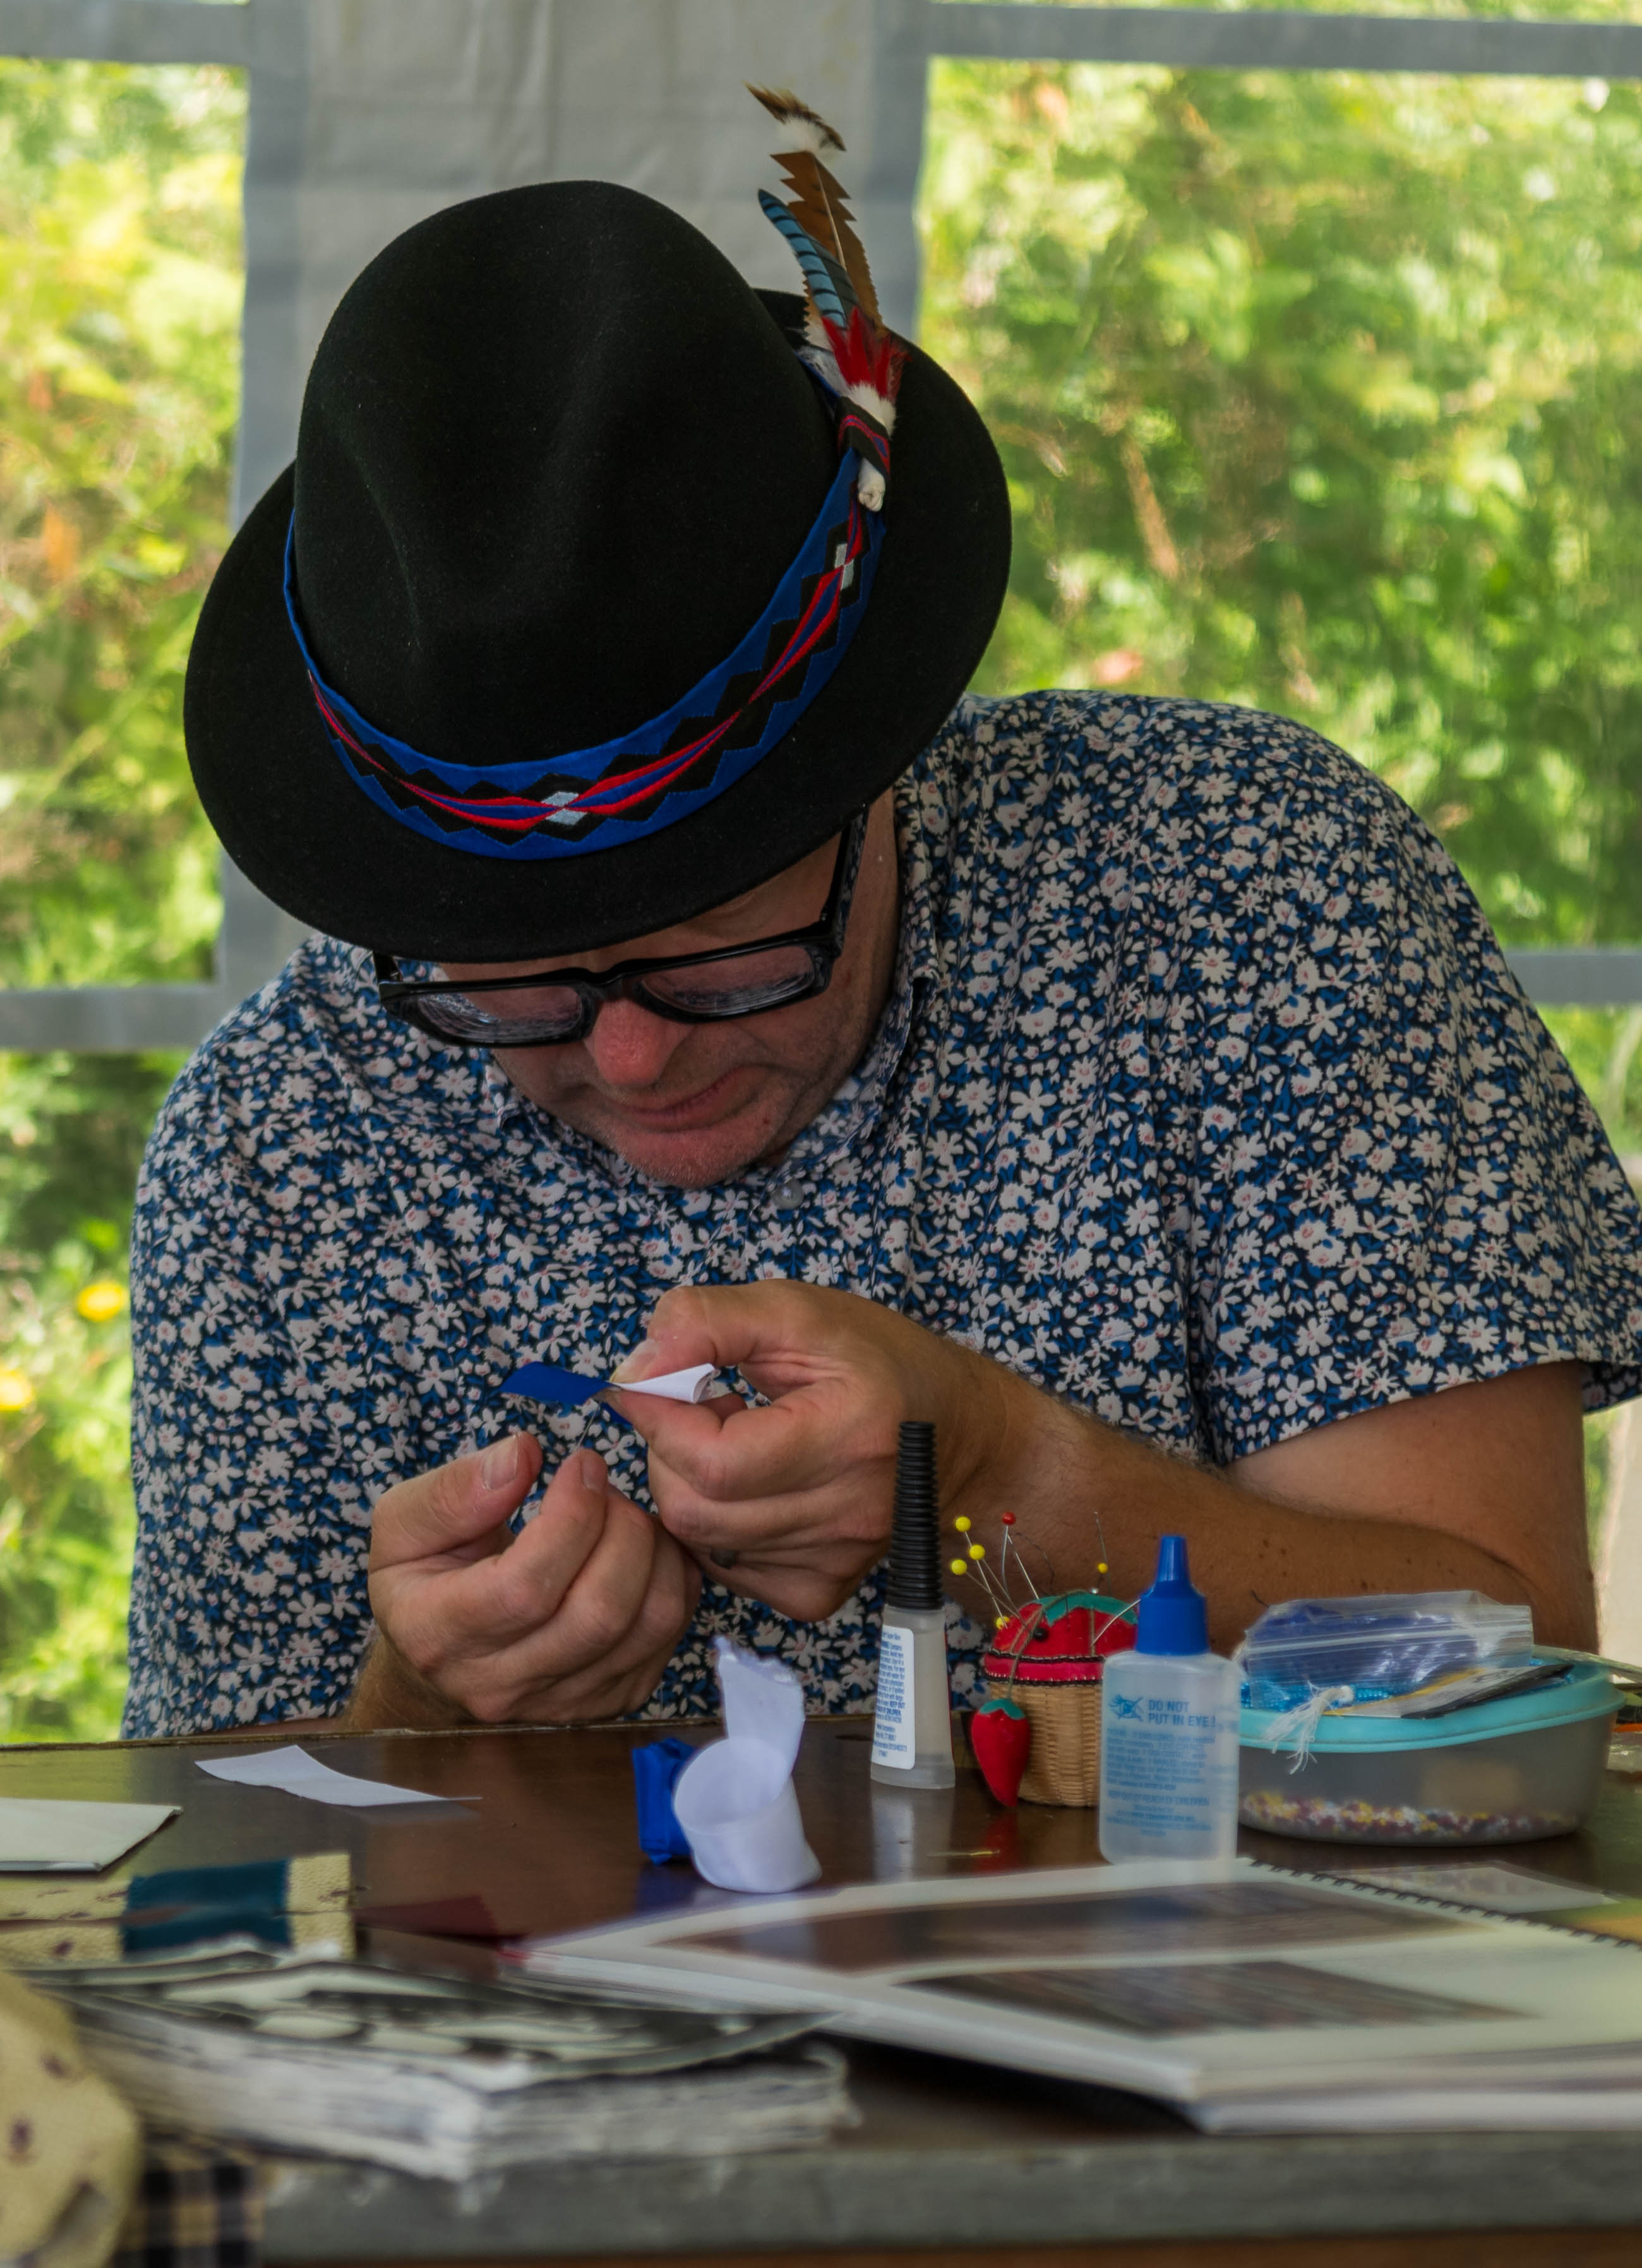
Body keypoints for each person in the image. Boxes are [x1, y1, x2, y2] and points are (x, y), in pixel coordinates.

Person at [124, 133, 1642, 1737]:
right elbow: (218, 1836)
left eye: (714, 941)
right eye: (514, 983)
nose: (627, 1052)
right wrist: (428, 1705)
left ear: (874, 776)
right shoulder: (282, 1139)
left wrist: (999, 1472)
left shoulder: (1246, 894)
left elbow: (1509, 1667)